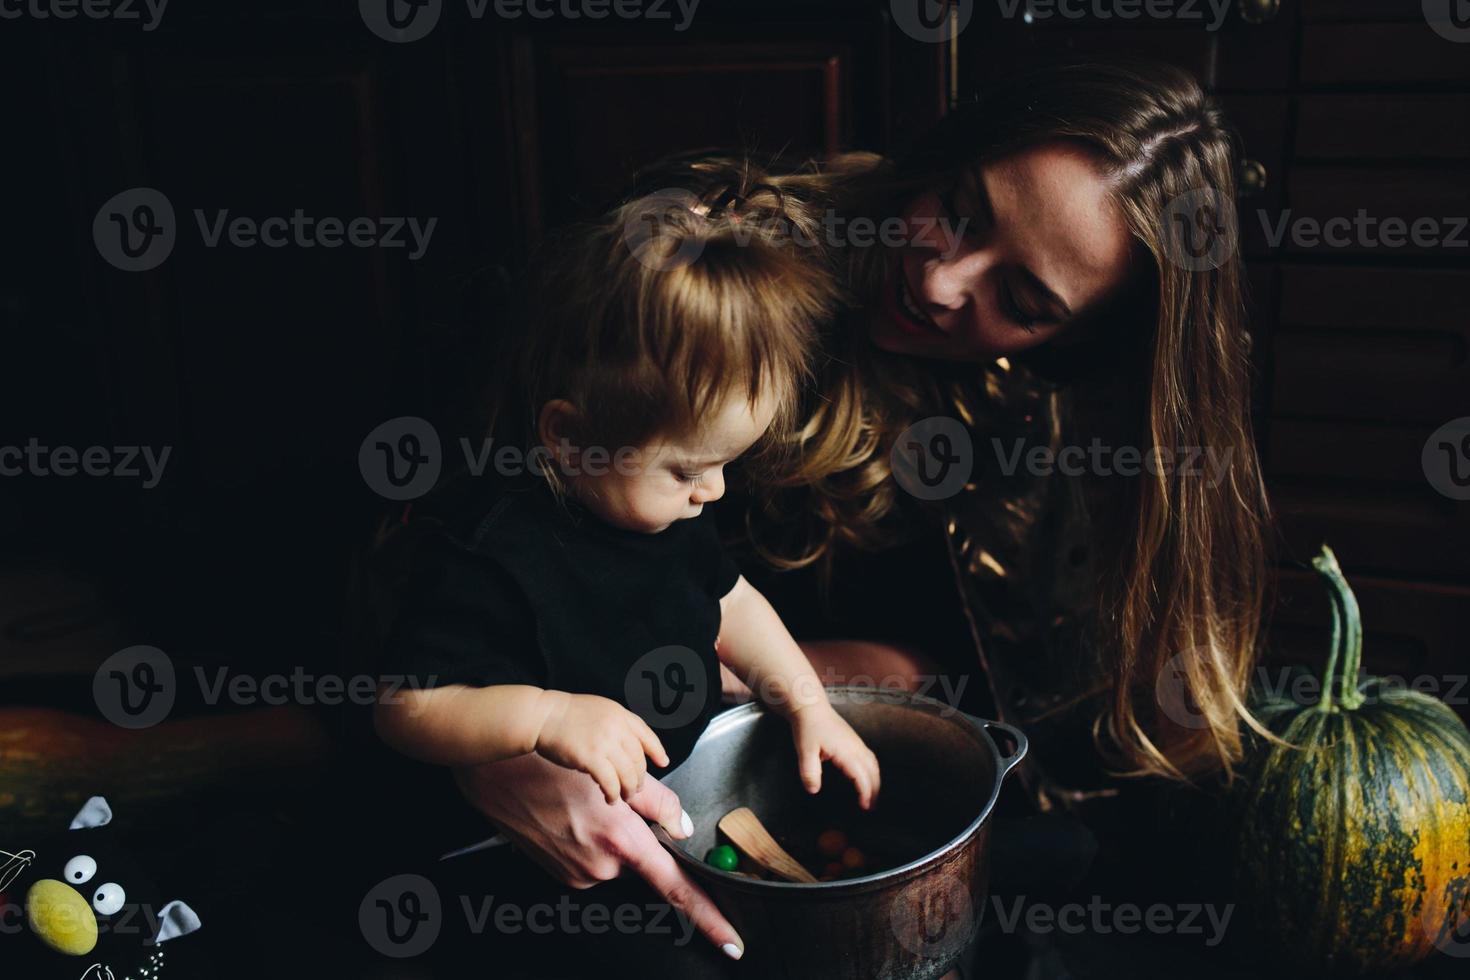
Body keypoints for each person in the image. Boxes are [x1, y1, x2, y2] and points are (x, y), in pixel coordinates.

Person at [439, 60, 1271, 973]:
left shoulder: (1031, 420)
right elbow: (460, 569)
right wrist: (501, 756)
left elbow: (949, 666)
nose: (945, 282)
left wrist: (763, 683)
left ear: (1070, 348)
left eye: (1023, 303)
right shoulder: (712, 256)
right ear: (950, 152)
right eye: (958, 210)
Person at [370, 174, 879, 969]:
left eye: (723, 466)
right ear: (571, 439)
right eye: (687, 470)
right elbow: (407, 708)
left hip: (664, 799)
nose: (712, 492)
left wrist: (807, 702)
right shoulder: (489, 552)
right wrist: (546, 718)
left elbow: (733, 603)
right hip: (515, 856)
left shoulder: (664, 513)